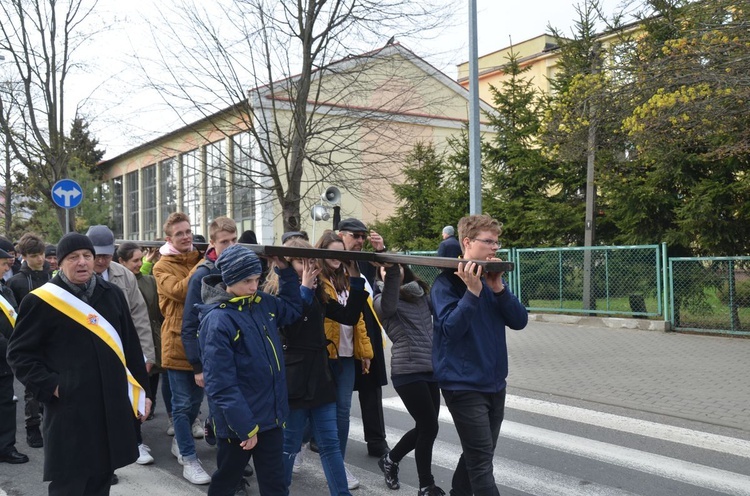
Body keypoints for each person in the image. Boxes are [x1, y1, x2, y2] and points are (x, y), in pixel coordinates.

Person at [7, 232, 151, 495]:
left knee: (101, 479)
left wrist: (143, 392)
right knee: (70, 484)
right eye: (73, 257)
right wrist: (54, 386)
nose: (82, 262)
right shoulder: (40, 301)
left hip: (109, 405)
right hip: (69, 410)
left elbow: (131, 346)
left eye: (87, 256)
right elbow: (19, 355)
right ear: (59, 263)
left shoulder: (112, 294)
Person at [431, 215, 528, 496]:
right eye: (488, 242)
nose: (495, 248)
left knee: (480, 455)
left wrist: (498, 288)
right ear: (467, 242)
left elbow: (519, 320)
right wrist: (472, 293)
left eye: (497, 242)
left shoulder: (491, 281)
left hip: (495, 382)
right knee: (482, 463)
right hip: (463, 384)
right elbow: (450, 329)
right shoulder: (446, 284)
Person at [198, 243, 302, 496]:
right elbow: (220, 383)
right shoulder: (218, 319)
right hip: (239, 425)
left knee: (275, 485)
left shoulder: (261, 303)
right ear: (230, 279)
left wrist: (285, 270)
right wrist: (245, 427)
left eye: (257, 279)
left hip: (271, 417)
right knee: (227, 482)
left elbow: (292, 309)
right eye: (247, 280)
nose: (254, 286)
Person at [265, 237, 367, 496]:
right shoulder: (278, 293)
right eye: (301, 262)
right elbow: (290, 323)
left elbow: (348, 316)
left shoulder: (317, 290)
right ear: (287, 266)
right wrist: (304, 288)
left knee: (330, 444)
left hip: (320, 375)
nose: (309, 267)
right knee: (289, 444)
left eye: (311, 261)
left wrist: (355, 276)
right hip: (294, 377)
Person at [374, 263, 443, 496]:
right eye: (383, 269)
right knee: (429, 425)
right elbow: (390, 304)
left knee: (428, 428)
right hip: (407, 370)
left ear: (405, 268)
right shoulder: (381, 300)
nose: (389, 270)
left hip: (430, 368)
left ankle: (390, 460)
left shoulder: (421, 294)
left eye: (393, 267)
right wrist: (391, 274)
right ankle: (426, 485)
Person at [152, 212, 209, 485]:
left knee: (195, 404)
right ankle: (188, 457)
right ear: (169, 239)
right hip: (175, 341)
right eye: (179, 233)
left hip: (204, 340)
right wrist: (203, 266)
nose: (186, 237)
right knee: (182, 404)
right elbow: (180, 291)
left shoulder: (200, 258)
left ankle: (181, 445)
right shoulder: (161, 266)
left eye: (188, 231)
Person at [316, 230, 373, 490]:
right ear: (323, 252)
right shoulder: (317, 280)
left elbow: (358, 318)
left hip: (348, 354)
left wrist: (365, 352)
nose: (338, 257)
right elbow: (344, 315)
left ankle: (339, 464)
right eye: (333, 252)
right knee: (313, 411)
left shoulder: (347, 279)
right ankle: (295, 447)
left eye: (341, 252)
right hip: (327, 355)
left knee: (342, 412)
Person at [336, 218, 390, 459]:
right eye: (354, 236)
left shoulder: (365, 261)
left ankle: (377, 441)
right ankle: (322, 439)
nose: (359, 241)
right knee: (337, 393)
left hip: (367, 332)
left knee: (371, 389)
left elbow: (389, 273)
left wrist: (381, 252)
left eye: (362, 236)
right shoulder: (331, 260)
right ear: (340, 235)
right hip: (340, 333)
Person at [7, 232, 52, 449]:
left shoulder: (53, 277)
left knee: (55, 382)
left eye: (42, 254)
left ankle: (50, 423)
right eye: (34, 255)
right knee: (32, 387)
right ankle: (32, 426)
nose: (40, 259)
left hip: (53, 340)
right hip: (30, 341)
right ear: (23, 256)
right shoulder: (16, 282)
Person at [117, 242, 165, 423]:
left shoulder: (149, 280)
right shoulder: (120, 282)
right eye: (134, 260)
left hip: (151, 332)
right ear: (122, 261)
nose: (139, 264)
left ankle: (148, 405)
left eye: (140, 260)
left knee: (152, 372)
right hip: (130, 337)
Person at [0, 247, 29, 465]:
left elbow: (17, 319)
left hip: (5, 361)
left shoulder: (5, 290)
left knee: (6, 404)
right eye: (3, 264)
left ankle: (6, 447)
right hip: (5, 352)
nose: (7, 267)